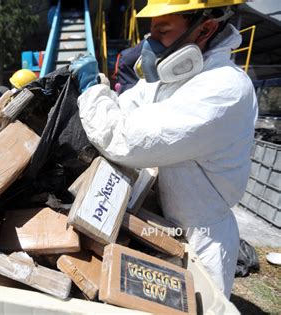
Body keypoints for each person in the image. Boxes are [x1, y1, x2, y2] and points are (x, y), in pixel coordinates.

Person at [71, 0, 257, 298]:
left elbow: (126, 140)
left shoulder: (224, 89)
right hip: (159, 226)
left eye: (163, 30)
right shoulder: (171, 80)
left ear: (205, 28)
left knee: (195, 304)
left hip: (199, 239)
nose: (150, 40)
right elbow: (123, 109)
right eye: (151, 29)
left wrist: (92, 90)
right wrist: (100, 90)